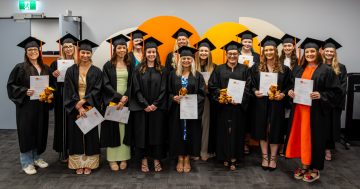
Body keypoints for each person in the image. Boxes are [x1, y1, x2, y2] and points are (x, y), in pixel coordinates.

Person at [286, 38, 342, 182]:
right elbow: (292, 86)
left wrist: (321, 95)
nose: (310, 54)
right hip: (299, 110)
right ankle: (304, 166)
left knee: (314, 140)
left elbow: (337, 92)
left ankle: (314, 169)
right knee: (302, 139)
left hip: (316, 112)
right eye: (307, 51)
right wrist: (291, 92)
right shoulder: (299, 69)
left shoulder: (326, 70)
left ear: (318, 52)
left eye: (313, 51)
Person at [7, 36, 53, 175]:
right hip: (26, 107)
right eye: (30, 50)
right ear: (26, 52)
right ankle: (27, 162)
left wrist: (50, 93)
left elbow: (51, 85)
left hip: (41, 106)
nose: (33, 51)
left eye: (35, 49)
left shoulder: (45, 68)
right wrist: (24, 91)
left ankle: (37, 158)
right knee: (27, 133)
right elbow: (11, 85)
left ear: (39, 51)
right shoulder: (20, 67)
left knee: (39, 131)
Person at [249, 36, 292, 171]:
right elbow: (250, 84)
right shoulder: (256, 67)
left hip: (276, 103)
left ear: (275, 51)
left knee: (275, 129)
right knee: (263, 130)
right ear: (263, 52)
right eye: (266, 50)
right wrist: (255, 91)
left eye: (271, 50)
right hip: (261, 102)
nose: (269, 52)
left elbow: (289, 85)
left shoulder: (284, 69)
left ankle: (273, 158)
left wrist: (283, 94)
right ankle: (264, 157)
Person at [208, 41, 251, 171]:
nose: (232, 56)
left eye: (235, 54)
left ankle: (234, 157)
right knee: (223, 131)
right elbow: (212, 86)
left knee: (236, 132)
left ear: (238, 54)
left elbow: (248, 88)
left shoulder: (245, 69)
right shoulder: (219, 69)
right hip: (223, 107)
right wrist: (222, 97)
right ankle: (224, 156)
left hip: (238, 107)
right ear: (226, 55)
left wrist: (239, 100)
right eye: (230, 54)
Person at [64, 39, 102, 175]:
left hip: (90, 107)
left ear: (91, 54)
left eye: (88, 53)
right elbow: (68, 90)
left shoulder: (97, 71)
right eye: (83, 52)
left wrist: (84, 101)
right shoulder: (71, 70)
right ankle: (78, 163)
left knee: (90, 134)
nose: (85, 55)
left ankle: (90, 164)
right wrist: (78, 106)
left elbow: (98, 90)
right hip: (75, 107)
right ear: (79, 53)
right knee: (76, 135)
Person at [130, 37, 167, 172]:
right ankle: (144, 159)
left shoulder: (163, 70)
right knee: (142, 134)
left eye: (154, 52)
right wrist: (145, 104)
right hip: (142, 108)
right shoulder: (138, 69)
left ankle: (157, 159)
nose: (151, 54)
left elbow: (164, 89)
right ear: (145, 54)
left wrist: (155, 104)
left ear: (157, 54)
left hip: (157, 109)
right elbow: (136, 89)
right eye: (149, 52)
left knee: (156, 134)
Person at [168, 46, 205, 173]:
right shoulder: (173, 74)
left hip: (191, 110)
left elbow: (202, 94)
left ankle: (187, 158)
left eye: (188, 58)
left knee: (190, 133)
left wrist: (191, 99)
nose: (186, 61)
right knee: (178, 133)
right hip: (177, 111)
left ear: (192, 60)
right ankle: (180, 158)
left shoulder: (197, 75)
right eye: (184, 58)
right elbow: (167, 92)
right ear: (180, 59)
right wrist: (174, 98)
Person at [100, 34, 132, 171]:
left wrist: (126, 97)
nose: (121, 50)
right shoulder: (108, 65)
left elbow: (133, 83)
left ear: (126, 49)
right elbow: (105, 84)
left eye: (123, 47)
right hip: (113, 101)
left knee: (124, 129)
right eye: (119, 47)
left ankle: (124, 157)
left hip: (126, 101)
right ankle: (112, 159)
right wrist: (118, 97)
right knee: (113, 130)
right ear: (115, 49)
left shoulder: (130, 64)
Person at [50, 33, 79, 162]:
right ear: (62, 49)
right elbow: (50, 84)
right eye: (66, 46)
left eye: (70, 46)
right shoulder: (55, 64)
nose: (68, 49)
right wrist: (54, 76)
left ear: (74, 48)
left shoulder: (79, 63)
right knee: (62, 122)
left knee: (74, 122)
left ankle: (75, 149)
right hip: (61, 95)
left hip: (75, 96)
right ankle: (63, 151)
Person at [322, 38, 347, 161]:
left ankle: (328, 150)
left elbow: (342, 87)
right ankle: (320, 148)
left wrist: (331, 100)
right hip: (321, 103)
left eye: (331, 51)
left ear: (334, 53)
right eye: (327, 51)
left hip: (334, 104)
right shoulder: (319, 66)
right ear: (323, 52)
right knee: (321, 127)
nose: (329, 53)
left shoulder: (341, 68)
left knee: (331, 128)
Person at [236, 30, 260, 154]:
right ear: (241, 42)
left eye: (249, 42)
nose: (247, 43)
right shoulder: (236, 54)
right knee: (240, 115)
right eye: (245, 41)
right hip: (239, 87)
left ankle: (247, 142)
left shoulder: (256, 56)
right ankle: (239, 142)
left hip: (252, 87)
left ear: (252, 43)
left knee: (250, 116)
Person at [194, 38, 217, 161]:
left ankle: (204, 151)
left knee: (205, 125)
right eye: (201, 50)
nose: (203, 53)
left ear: (209, 53)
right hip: (193, 99)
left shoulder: (214, 67)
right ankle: (194, 151)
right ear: (198, 52)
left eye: (206, 51)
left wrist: (209, 87)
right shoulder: (192, 65)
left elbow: (216, 85)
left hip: (207, 99)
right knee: (195, 125)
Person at [278, 34, 301, 156]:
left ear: (293, 47)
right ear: (282, 47)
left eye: (289, 45)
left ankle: (288, 145)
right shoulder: (279, 61)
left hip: (293, 94)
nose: (287, 47)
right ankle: (281, 145)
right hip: (282, 93)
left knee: (289, 121)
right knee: (281, 120)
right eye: (285, 45)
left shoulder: (298, 62)